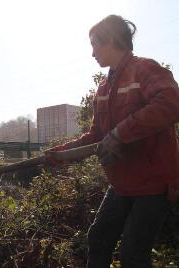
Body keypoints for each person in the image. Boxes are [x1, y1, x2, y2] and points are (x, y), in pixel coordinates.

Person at [47, 15, 179, 267]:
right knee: (98, 239)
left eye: (95, 44)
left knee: (132, 254)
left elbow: (171, 103)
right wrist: (58, 153)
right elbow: (97, 136)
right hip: (122, 184)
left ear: (113, 40)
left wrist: (120, 133)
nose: (92, 52)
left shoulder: (146, 69)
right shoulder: (103, 89)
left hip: (154, 185)